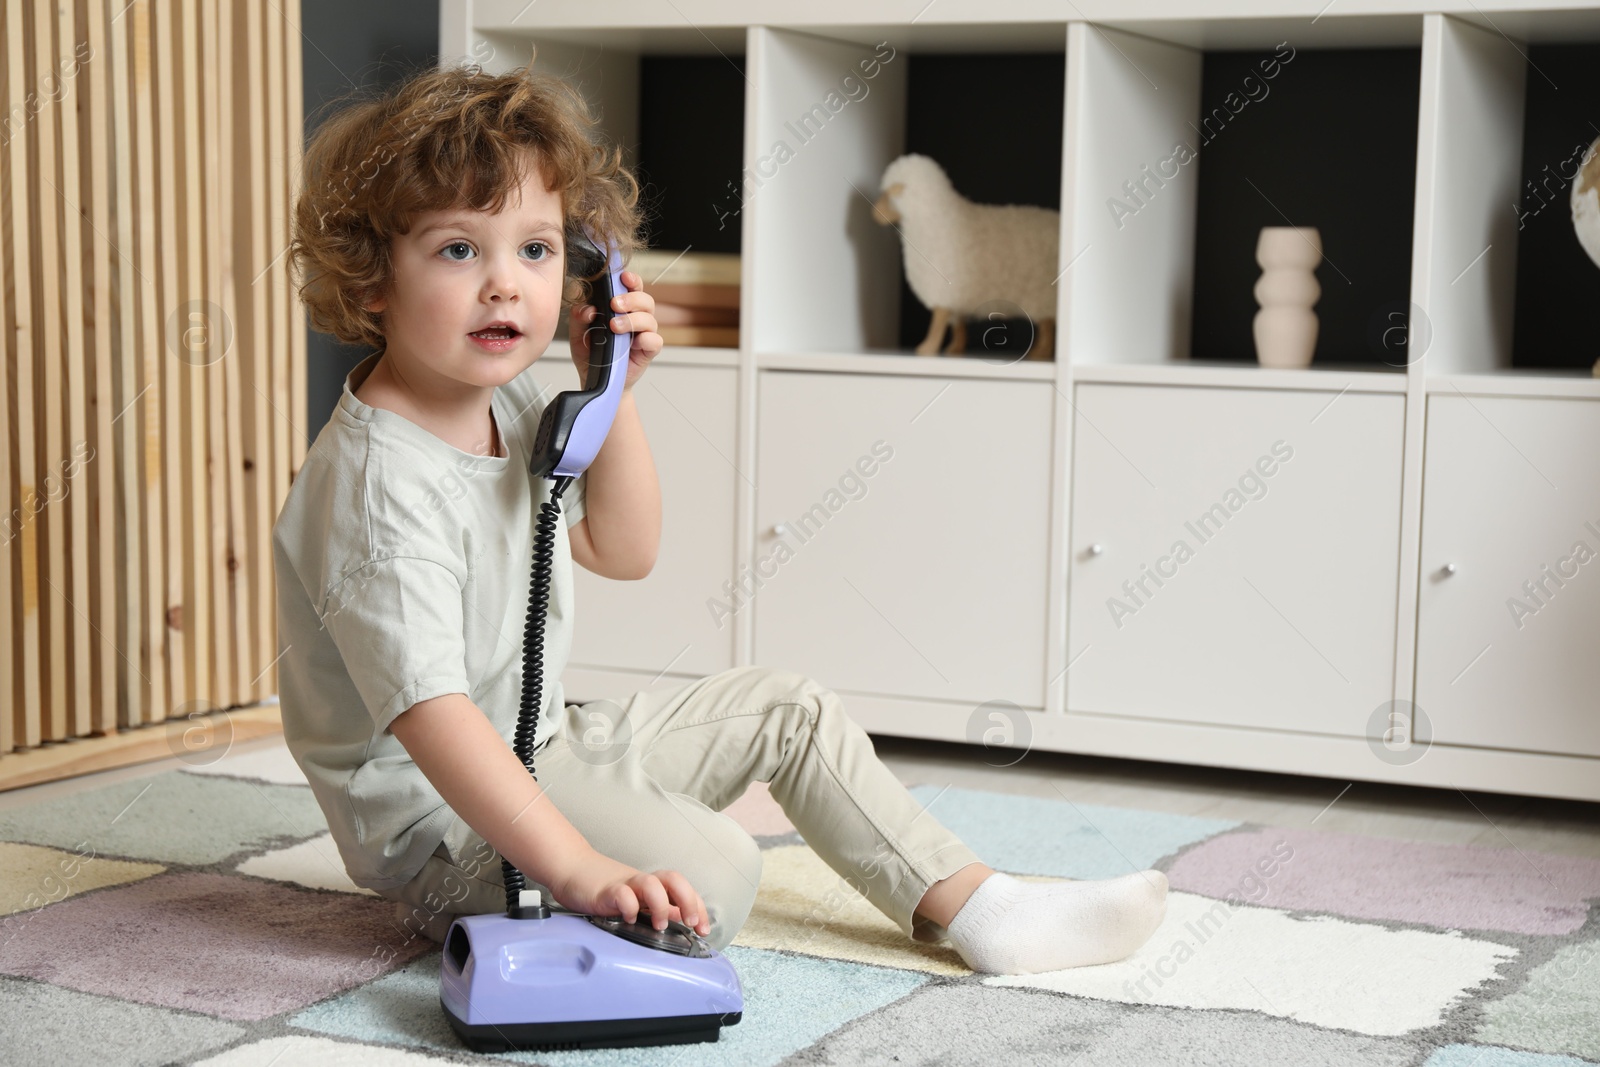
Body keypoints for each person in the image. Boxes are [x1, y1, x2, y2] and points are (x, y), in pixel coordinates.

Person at [273, 61, 1168, 976]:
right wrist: (580, 868)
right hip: (441, 824)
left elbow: (626, 549)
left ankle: (984, 906)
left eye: (536, 250)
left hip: (540, 742)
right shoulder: (378, 487)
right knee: (719, 872)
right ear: (372, 277)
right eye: (461, 250)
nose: (506, 285)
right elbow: (437, 718)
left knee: (793, 710)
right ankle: (501, 909)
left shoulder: (499, 400)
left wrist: (610, 391)